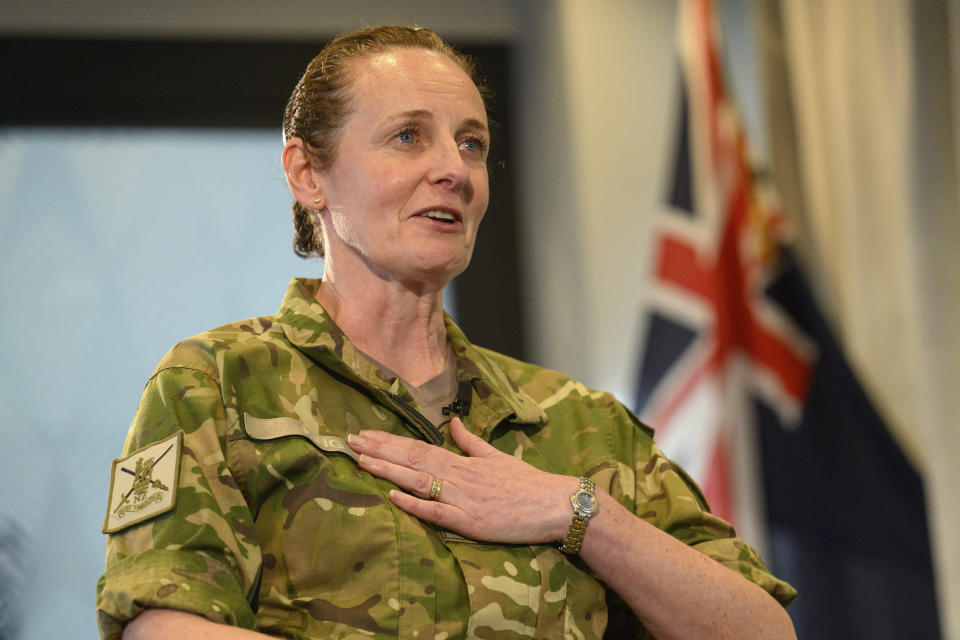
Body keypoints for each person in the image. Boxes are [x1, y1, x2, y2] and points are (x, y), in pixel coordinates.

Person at [96, 26, 798, 640]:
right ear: (308, 173)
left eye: (472, 144)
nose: (453, 171)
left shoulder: (582, 425)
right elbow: (161, 624)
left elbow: (763, 631)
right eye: (408, 137)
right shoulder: (216, 384)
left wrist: (572, 510)